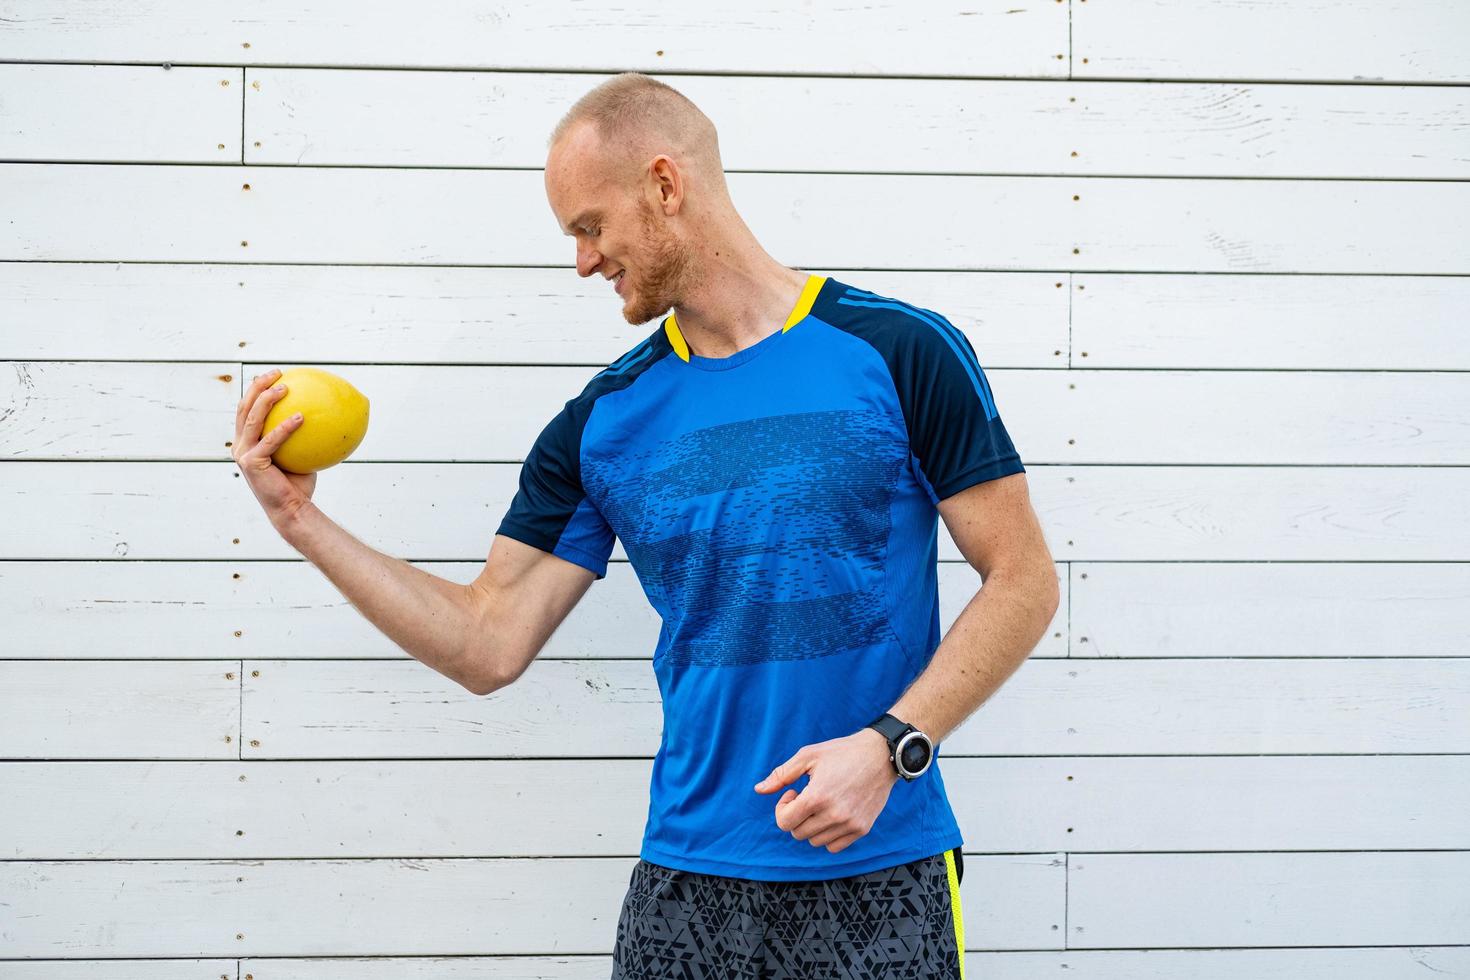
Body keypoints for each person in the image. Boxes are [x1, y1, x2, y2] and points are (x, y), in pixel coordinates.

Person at [233, 72, 1058, 980]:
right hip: (686, 884)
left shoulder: (900, 350)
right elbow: (485, 643)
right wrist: (301, 521)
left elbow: (1022, 577)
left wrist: (893, 745)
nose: (583, 261)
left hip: (879, 866)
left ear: (666, 185)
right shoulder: (604, 420)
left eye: (590, 227)